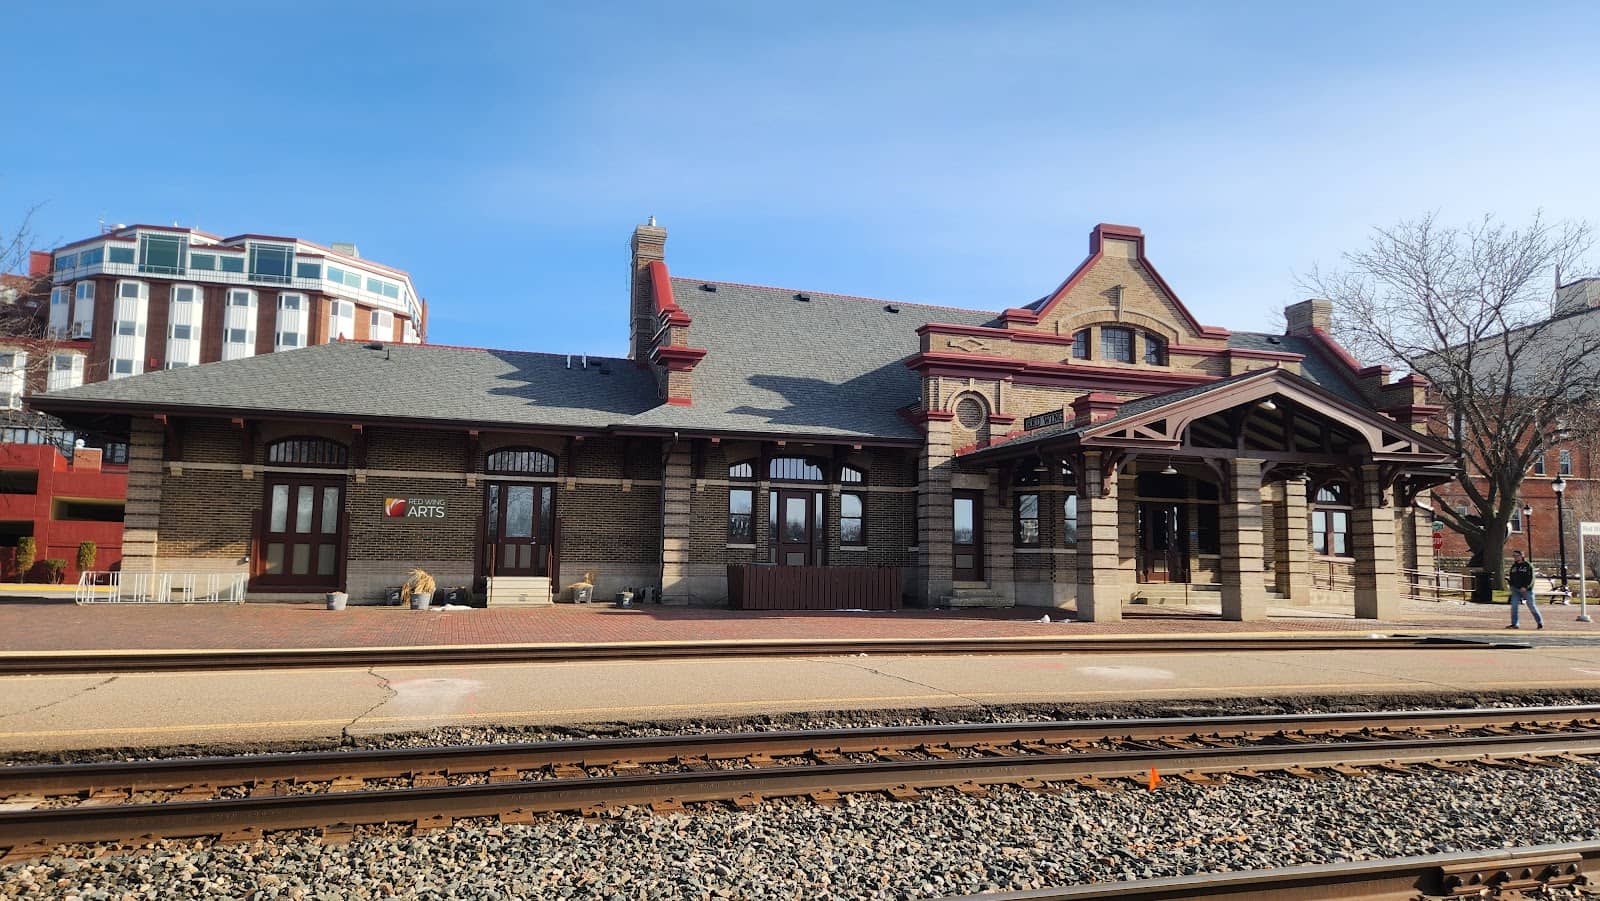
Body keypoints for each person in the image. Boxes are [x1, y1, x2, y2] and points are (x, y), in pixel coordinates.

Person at [1506, 549, 1544, 630]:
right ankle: (1515, 624)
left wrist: (1526, 587)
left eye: (1517, 555)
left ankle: (1539, 622)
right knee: (1514, 606)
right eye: (1514, 556)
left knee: (1531, 606)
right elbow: (1512, 577)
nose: (1515, 557)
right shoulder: (1514, 566)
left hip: (1527, 590)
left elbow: (1531, 578)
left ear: (1522, 556)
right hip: (1515, 590)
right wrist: (1511, 585)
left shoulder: (1528, 565)